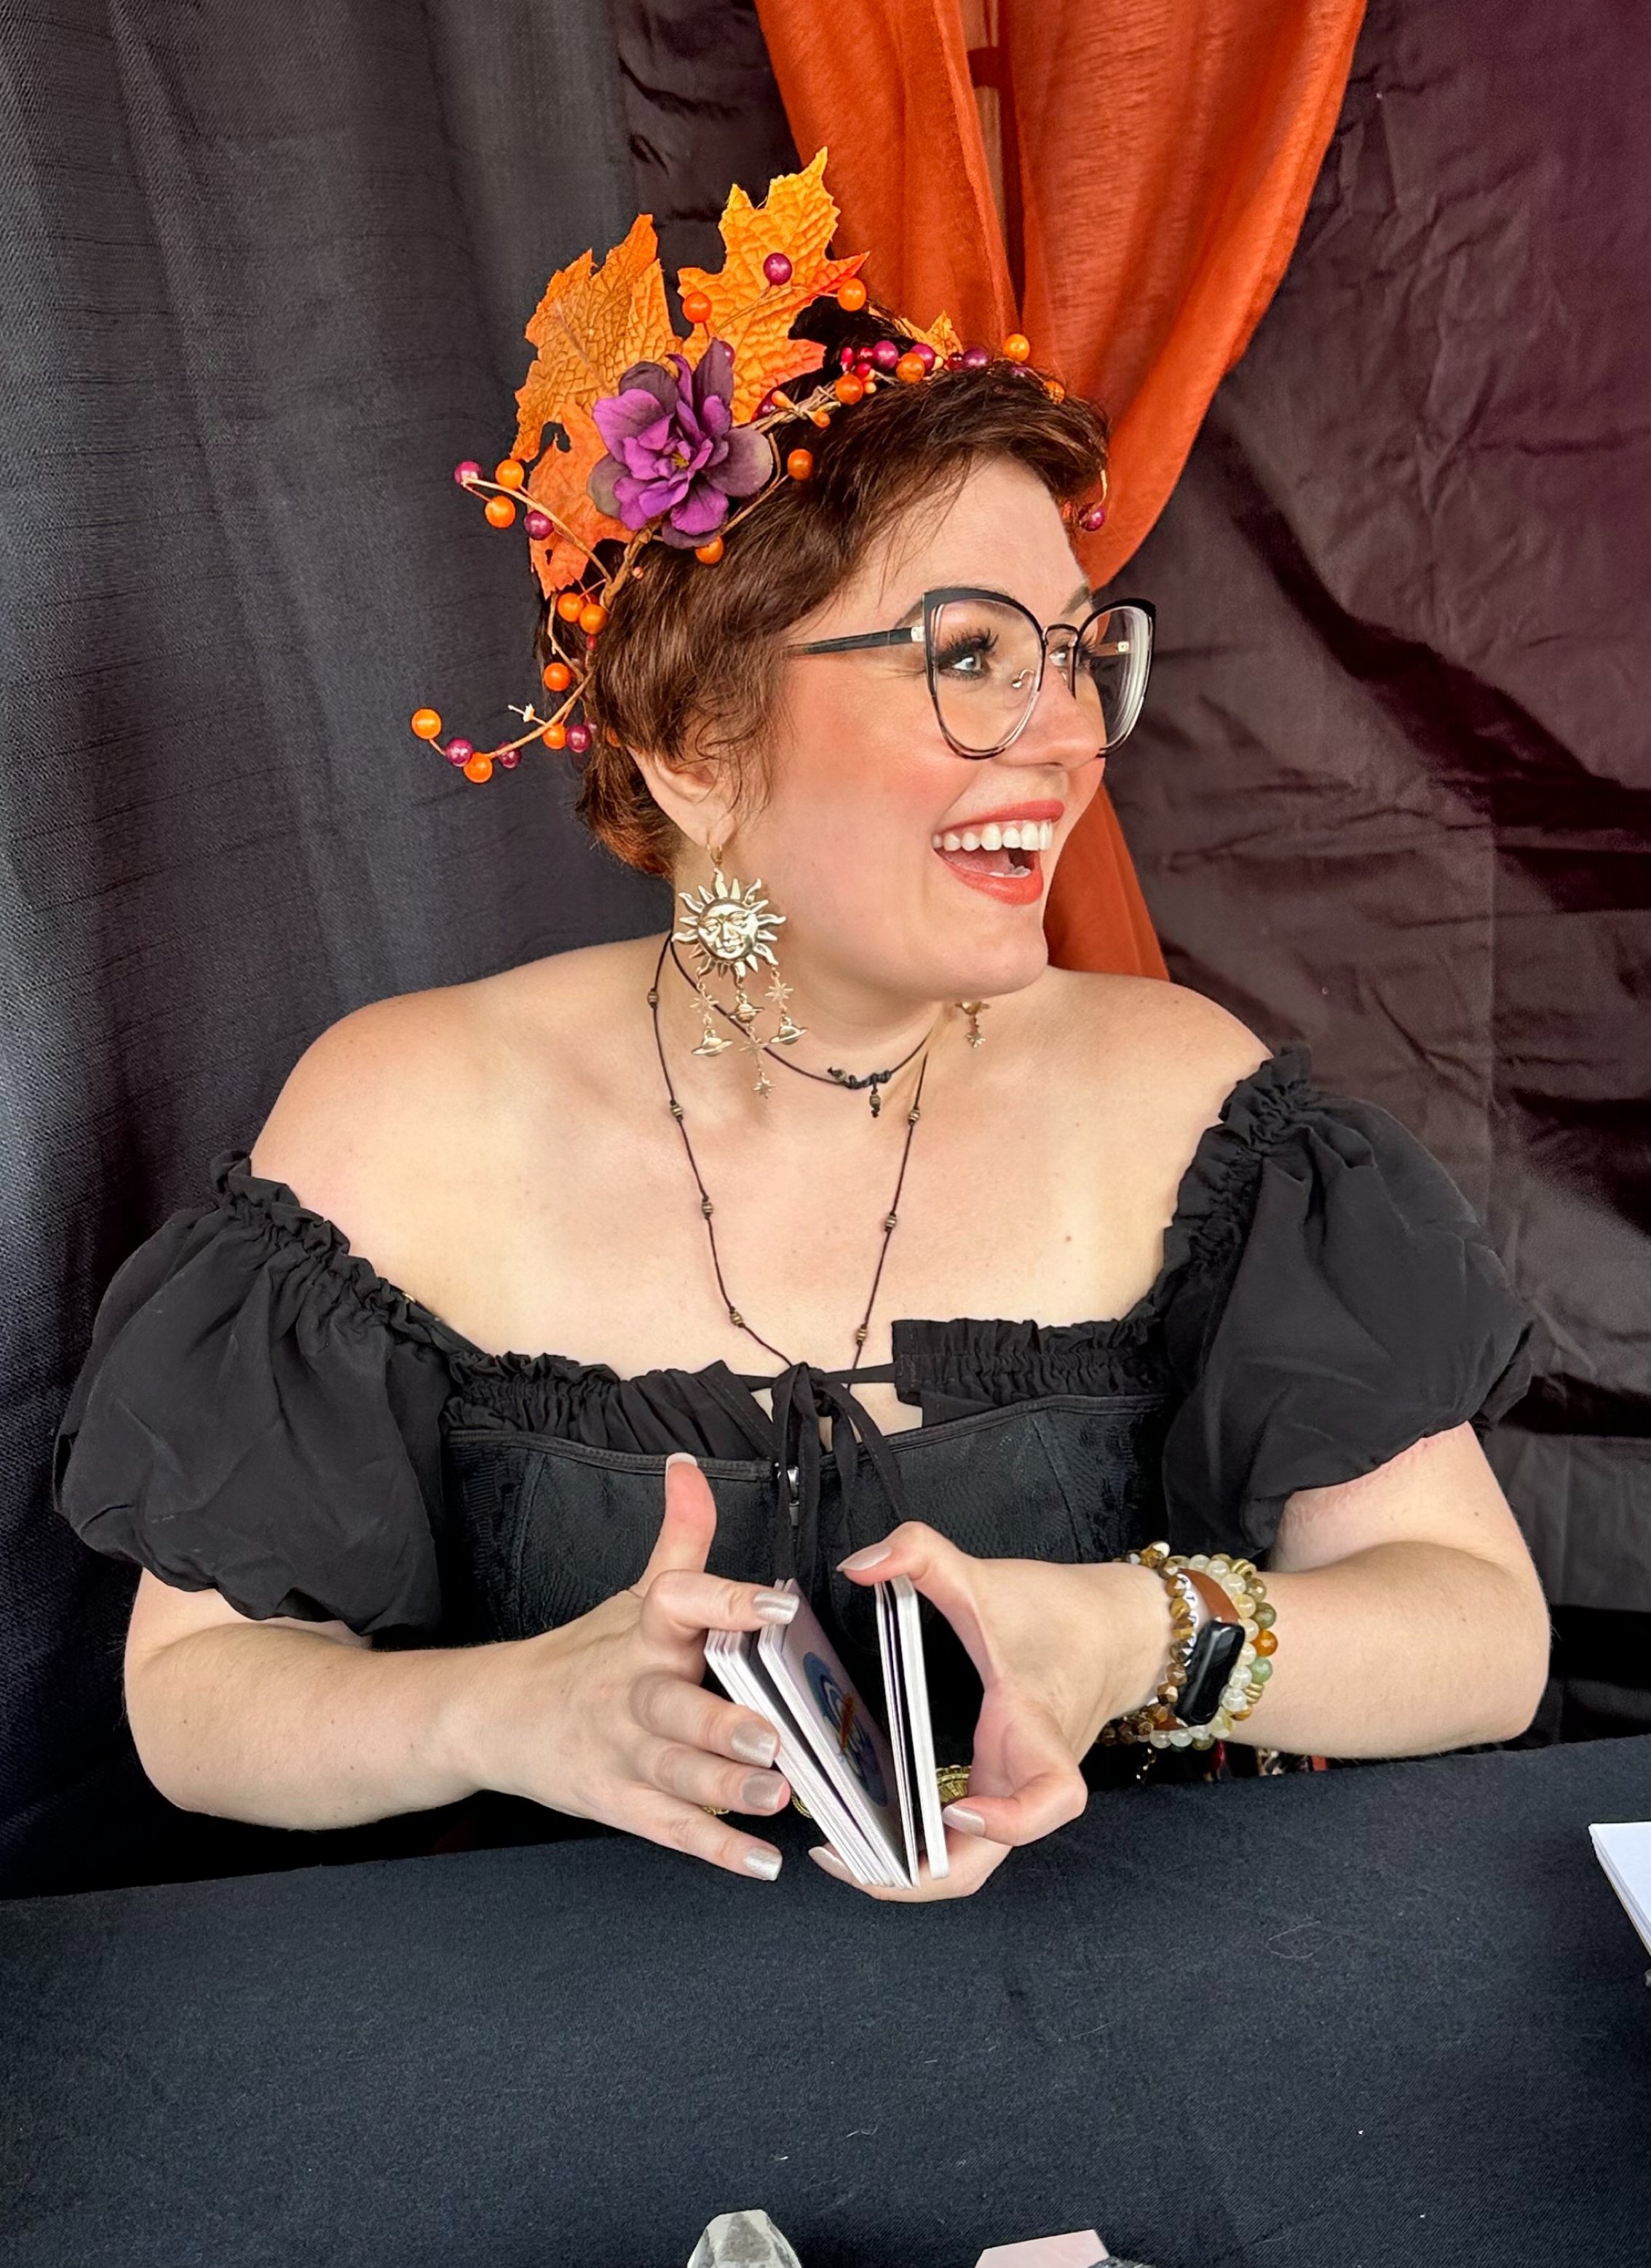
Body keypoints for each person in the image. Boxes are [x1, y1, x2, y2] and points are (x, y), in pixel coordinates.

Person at [55, 266, 1548, 1902]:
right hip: (562, 2020)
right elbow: (196, 1697)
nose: (1069, 737)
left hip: (1107, 1996)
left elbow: (1481, 1633)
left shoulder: (1189, 1100)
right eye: (970, 655)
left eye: (1074, 654)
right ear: (695, 743)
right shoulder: (403, 1117)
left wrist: (1132, 1634)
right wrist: (500, 1711)